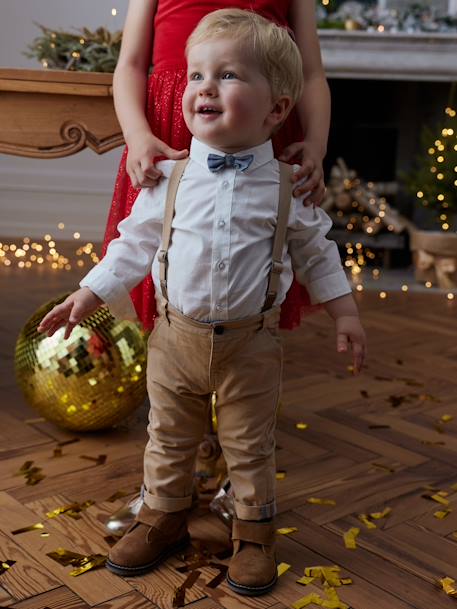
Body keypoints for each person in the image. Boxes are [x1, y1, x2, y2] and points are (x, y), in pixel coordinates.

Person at [38, 10, 366, 596]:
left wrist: (344, 312)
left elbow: (318, 255)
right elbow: (131, 247)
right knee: (167, 435)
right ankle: (163, 513)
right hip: (175, 340)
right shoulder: (167, 179)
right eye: (195, 76)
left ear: (277, 111)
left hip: (251, 346)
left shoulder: (289, 185)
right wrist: (89, 294)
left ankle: (254, 531)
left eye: (229, 76)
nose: (204, 88)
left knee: (249, 442)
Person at [106, 0, 331, 332]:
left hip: (255, 119)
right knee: (154, 242)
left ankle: (244, 347)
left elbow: (310, 73)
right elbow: (131, 64)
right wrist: (138, 134)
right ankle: (169, 359)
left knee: (253, 250)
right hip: (172, 127)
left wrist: (316, 143)